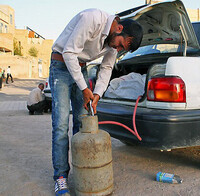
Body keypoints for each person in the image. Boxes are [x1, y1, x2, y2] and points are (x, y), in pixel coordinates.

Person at [49, 8, 143, 195]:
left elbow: (107, 68)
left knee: (82, 124)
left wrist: (97, 94)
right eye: (120, 45)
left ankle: (81, 171)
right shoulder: (92, 19)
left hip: (80, 70)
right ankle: (60, 177)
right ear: (119, 28)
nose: (117, 49)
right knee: (61, 126)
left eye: (121, 49)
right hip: (60, 65)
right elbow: (69, 53)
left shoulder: (113, 43)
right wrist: (85, 89)